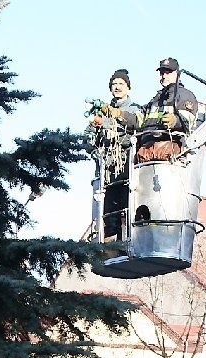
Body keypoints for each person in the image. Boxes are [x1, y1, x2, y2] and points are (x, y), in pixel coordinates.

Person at [111, 57, 198, 163]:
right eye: (162, 73)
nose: (164, 76)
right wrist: (120, 114)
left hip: (170, 156)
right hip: (145, 153)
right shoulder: (156, 99)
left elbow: (189, 121)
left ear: (177, 73)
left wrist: (174, 121)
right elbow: (139, 119)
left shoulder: (185, 96)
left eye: (168, 72)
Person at [87, 69, 141, 240]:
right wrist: (94, 147)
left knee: (125, 204)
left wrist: (107, 122)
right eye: (114, 84)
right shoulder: (100, 111)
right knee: (107, 208)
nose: (117, 87)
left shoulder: (135, 109)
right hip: (106, 167)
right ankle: (109, 245)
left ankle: (125, 241)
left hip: (125, 164)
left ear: (128, 87)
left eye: (121, 84)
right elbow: (87, 136)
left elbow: (135, 126)